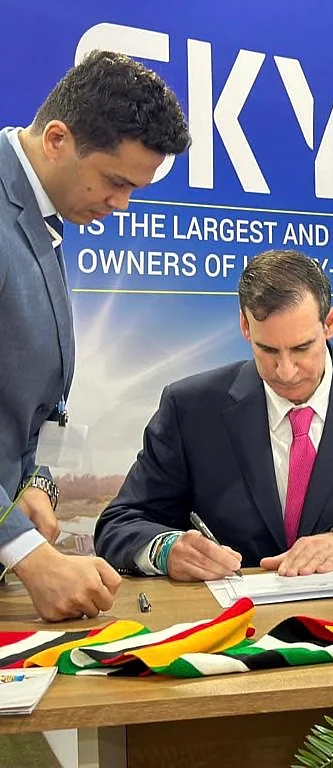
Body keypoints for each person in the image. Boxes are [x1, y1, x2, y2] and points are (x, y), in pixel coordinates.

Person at [94, 250, 333, 580]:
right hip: (232, 613)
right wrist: (166, 550)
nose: (285, 371)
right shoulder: (190, 408)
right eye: (268, 349)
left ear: (329, 323)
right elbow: (119, 524)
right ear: (245, 327)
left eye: (302, 348)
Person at [0, 51, 190, 620]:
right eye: (114, 181)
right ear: (57, 139)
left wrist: (30, 483)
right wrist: (27, 553)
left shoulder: (38, 215)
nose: (122, 204)